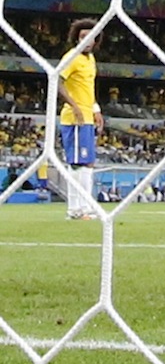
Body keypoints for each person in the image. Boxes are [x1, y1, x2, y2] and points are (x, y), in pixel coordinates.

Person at [57, 18, 104, 220]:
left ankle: (85, 206)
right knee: (77, 163)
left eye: (91, 37)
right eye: (82, 36)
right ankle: (76, 209)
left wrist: (96, 109)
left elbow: (88, 89)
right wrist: (74, 106)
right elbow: (57, 81)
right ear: (77, 38)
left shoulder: (90, 59)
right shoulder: (72, 57)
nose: (87, 40)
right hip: (74, 118)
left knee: (88, 163)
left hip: (87, 117)